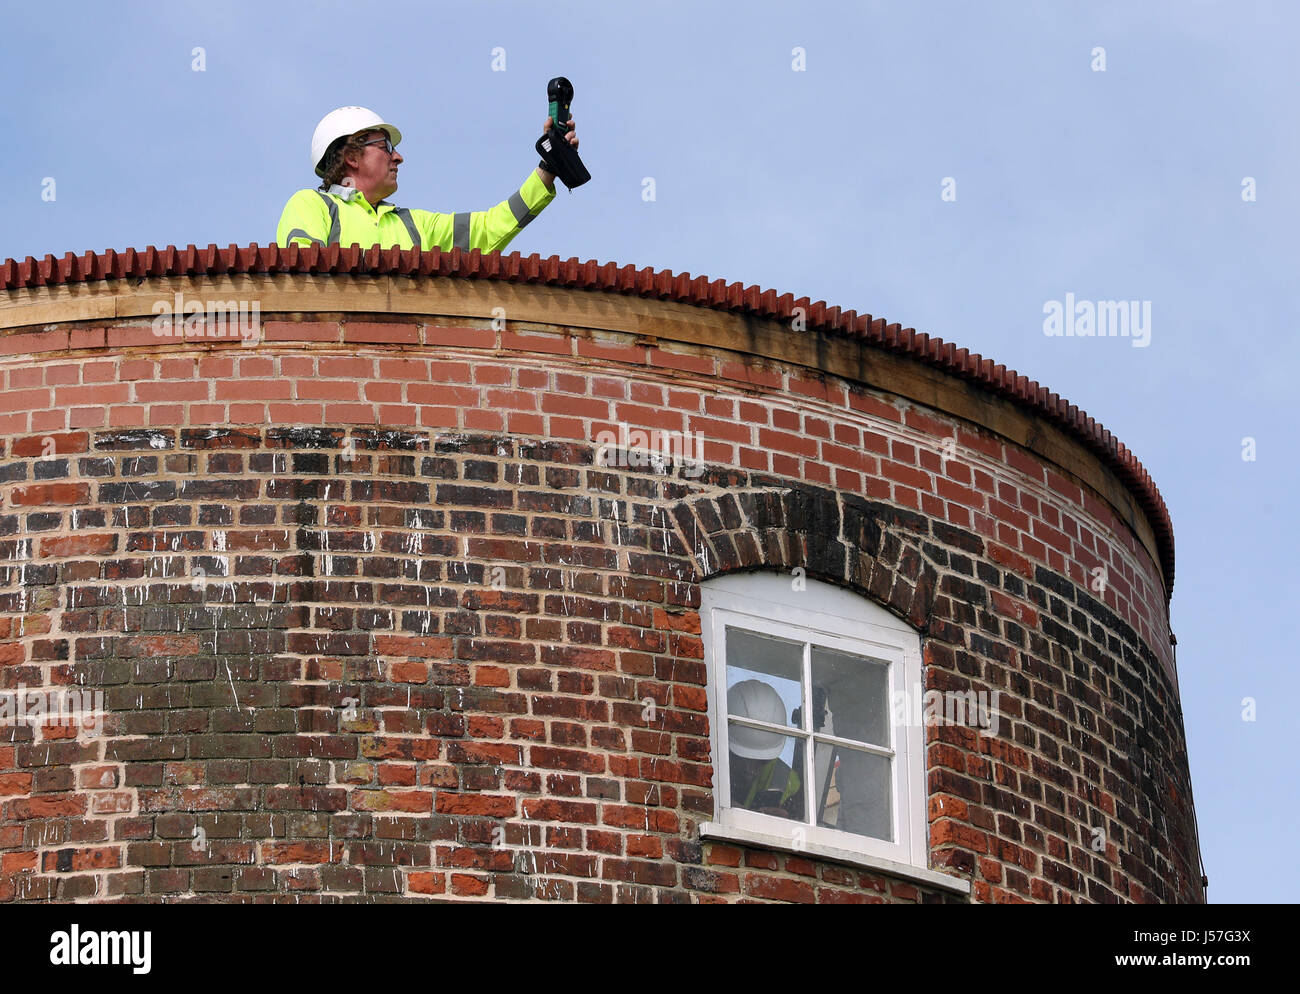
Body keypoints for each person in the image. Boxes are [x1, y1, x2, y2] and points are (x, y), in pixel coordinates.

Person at [275, 105, 579, 252]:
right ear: (352, 157)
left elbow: (489, 228)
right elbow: (303, 278)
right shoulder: (311, 205)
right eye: (386, 147)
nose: (398, 157)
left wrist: (546, 170)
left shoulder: (414, 225)